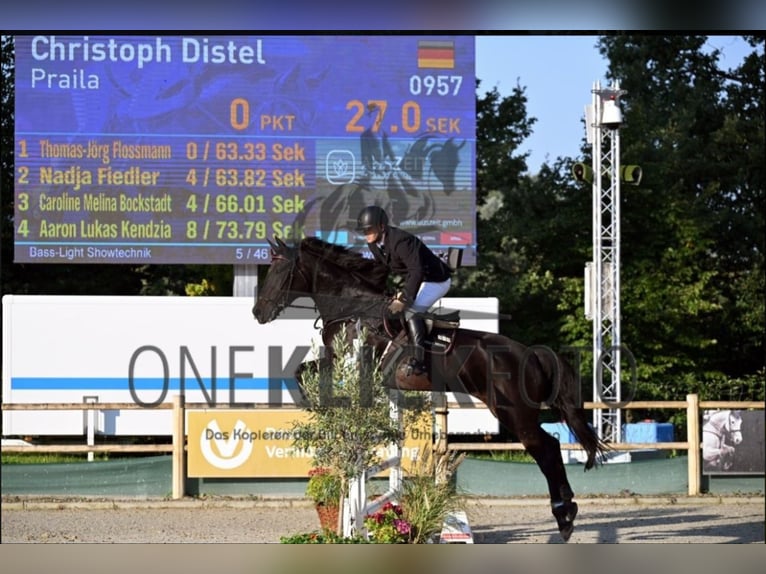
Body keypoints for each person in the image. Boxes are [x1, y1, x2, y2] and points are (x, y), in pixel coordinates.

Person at [356, 205, 452, 376]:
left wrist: (405, 298)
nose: (367, 234)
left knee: (411, 311)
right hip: (417, 280)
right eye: (364, 231)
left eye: (369, 229)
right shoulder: (374, 245)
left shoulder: (401, 241)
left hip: (436, 280)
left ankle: (419, 362)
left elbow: (417, 271)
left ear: (382, 226)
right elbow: (380, 271)